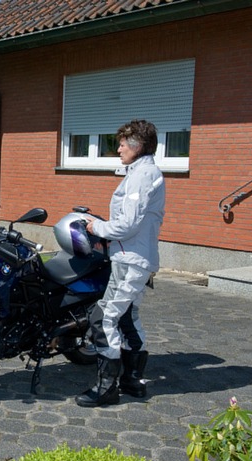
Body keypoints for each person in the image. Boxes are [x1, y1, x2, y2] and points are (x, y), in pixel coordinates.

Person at [75, 119, 166, 407]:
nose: (119, 149)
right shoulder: (145, 171)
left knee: (103, 318)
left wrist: (97, 228)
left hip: (130, 259)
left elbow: (128, 223)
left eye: (123, 143)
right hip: (138, 257)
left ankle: (106, 388)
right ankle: (133, 381)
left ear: (138, 145)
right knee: (128, 317)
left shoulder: (141, 175)